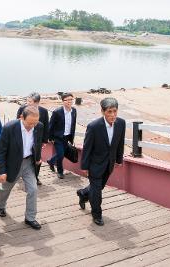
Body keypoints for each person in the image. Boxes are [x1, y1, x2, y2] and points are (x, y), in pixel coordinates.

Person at [77, 97, 126, 226]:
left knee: (97, 188)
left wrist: (119, 160)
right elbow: (87, 148)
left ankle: (83, 193)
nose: (113, 115)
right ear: (102, 111)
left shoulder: (121, 123)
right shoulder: (94, 126)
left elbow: (120, 142)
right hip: (95, 164)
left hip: (109, 164)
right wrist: (85, 166)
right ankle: (97, 215)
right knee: (97, 192)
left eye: (115, 111)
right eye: (109, 112)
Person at [0, 106, 43, 230]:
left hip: (29, 163)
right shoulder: (9, 128)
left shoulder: (39, 126)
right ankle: (0, 205)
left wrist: (38, 157)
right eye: (30, 123)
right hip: (12, 163)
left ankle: (30, 218)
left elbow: (37, 143)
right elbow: (1, 151)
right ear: (21, 117)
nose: (33, 126)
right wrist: (1, 171)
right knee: (5, 188)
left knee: (33, 190)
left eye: (35, 123)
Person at [16, 92, 49, 185]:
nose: (28, 103)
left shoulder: (44, 111)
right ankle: (19, 174)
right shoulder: (22, 109)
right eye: (27, 101)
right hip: (23, 138)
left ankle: (35, 177)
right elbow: (17, 123)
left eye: (30, 101)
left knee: (37, 159)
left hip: (37, 140)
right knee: (22, 156)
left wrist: (45, 141)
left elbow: (46, 126)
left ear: (37, 102)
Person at [47, 93, 77, 179]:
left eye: (71, 99)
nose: (69, 101)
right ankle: (60, 172)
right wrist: (50, 137)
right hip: (58, 137)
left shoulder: (74, 111)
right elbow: (51, 125)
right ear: (63, 101)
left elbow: (73, 124)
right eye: (67, 100)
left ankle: (51, 161)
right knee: (60, 155)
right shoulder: (57, 112)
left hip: (67, 137)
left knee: (62, 153)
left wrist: (72, 137)